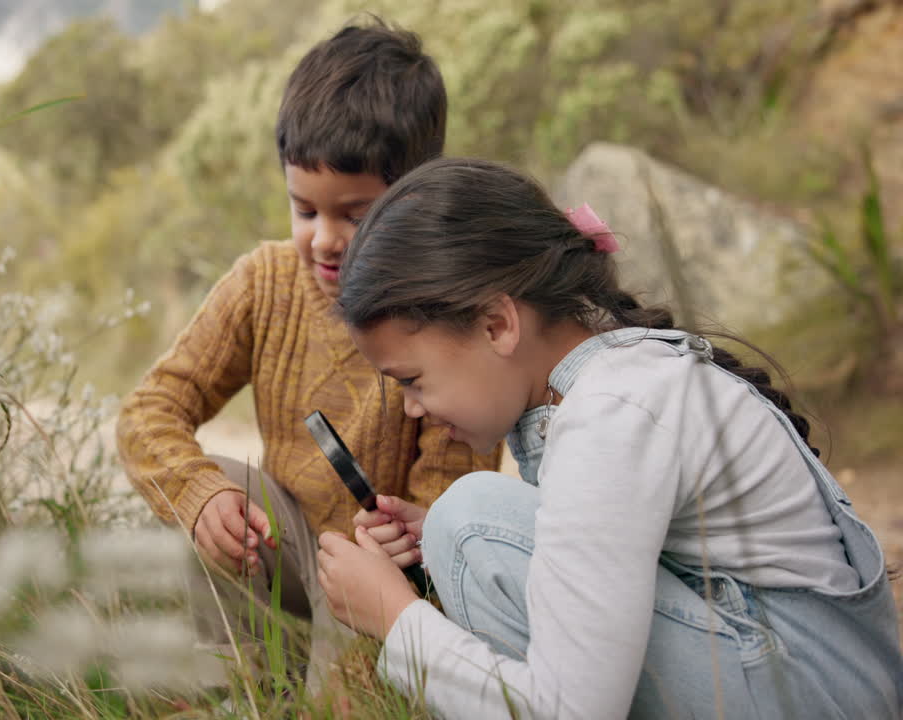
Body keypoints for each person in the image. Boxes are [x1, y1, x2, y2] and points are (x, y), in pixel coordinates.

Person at [315, 156, 902, 718]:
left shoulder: (610, 415)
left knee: (469, 523)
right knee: (463, 527)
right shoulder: (611, 379)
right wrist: (452, 539)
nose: (412, 410)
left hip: (813, 694)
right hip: (822, 678)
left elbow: (569, 710)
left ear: (497, 324)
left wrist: (395, 619)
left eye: (412, 381)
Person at [115, 20, 501, 692]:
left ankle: (342, 694)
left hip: (387, 568)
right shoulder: (263, 283)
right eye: (304, 210)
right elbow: (149, 411)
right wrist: (200, 496)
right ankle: (237, 692)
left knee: (347, 667)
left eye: (355, 215)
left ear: (413, 199)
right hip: (285, 549)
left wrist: (403, 546)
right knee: (221, 485)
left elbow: (452, 496)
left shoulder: (446, 313)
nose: (325, 239)